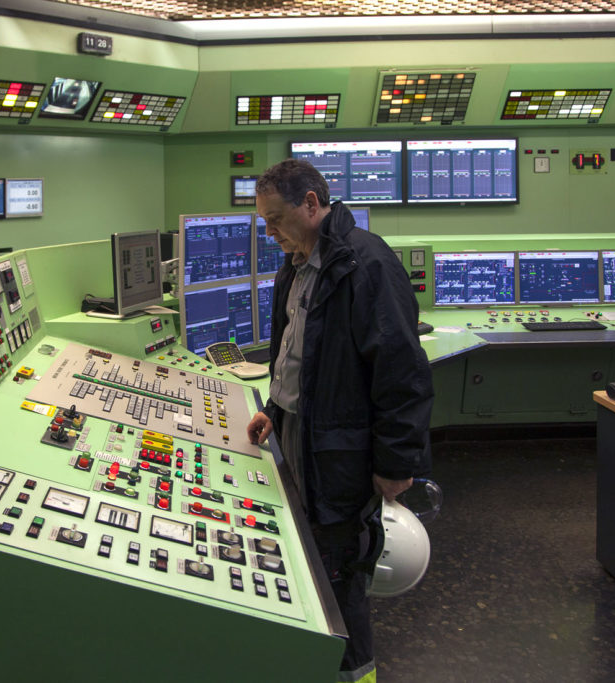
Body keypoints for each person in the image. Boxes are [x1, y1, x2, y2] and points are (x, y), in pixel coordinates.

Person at [246, 159, 434, 683]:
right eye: (265, 222)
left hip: (340, 453)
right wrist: (274, 408)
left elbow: (402, 372)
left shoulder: (366, 264)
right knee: (310, 560)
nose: (270, 233)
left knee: (339, 575)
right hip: (301, 435)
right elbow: (293, 354)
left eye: (276, 219)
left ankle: (357, 674)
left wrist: (396, 463)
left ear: (311, 204)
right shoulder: (296, 262)